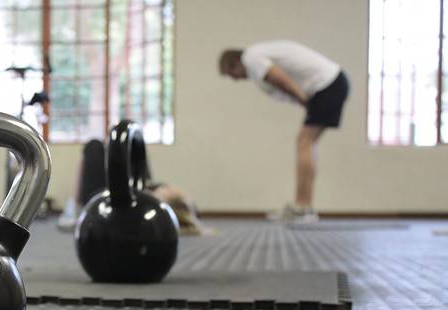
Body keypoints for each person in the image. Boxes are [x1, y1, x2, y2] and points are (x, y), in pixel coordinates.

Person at [219, 40, 350, 223]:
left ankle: (303, 207)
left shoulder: (251, 58)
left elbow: (279, 77)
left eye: (231, 74)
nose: (234, 79)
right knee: (306, 143)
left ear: (234, 63)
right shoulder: (257, 56)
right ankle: (303, 206)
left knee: (304, 142)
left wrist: (303, 98)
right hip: (330, 83)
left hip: (327, 84)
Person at [58, 139, 205, 235]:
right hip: (123, 191)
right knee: (133, 143)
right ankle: (75, 206)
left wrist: (77, 203)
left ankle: (75, 207)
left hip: (104, 201)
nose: (168, 188)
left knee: (93, 146)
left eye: (169, 191)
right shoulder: (157, 192)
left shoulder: (150, 207)